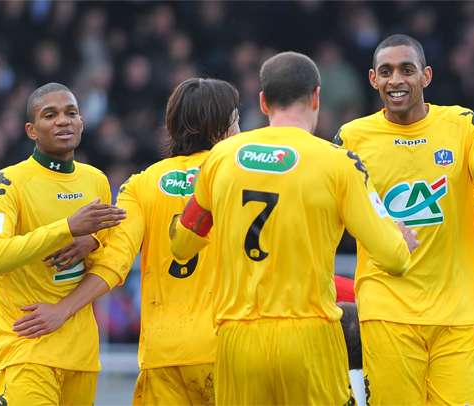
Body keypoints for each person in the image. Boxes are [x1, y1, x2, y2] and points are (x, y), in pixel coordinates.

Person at [169, 51, 419, 405]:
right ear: (316, 97)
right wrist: (401, 240)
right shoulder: (339, 162)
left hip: (237, 341)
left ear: (263, 102)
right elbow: (394, 259)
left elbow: (182, 244)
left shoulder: (221, 158)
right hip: (308, 338)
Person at [14, 77, 241, 405]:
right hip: (227, 347)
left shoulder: (141, 184)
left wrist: (63, 308)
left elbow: (114, 262)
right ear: (223, 126)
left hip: (164, 354)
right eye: (237, 120)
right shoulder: (241, 178)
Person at [334, 34, 474, 405]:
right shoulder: (351, 138)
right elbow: (326, 210)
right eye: (386, 71)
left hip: (455, 313)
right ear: (373, 79)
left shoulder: (462, 124)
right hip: (386, 311)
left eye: (407, 70)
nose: (396, 80)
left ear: (426, 76)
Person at [0, 82, 127, 406]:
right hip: (27, 350)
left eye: (71, 113)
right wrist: (67, 228)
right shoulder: (7, 182)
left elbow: (108, 260)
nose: (63, 121)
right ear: (31, 130)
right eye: (50, 115)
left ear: (81, 122)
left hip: (82, 358)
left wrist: (93, 243)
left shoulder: (96, 180)